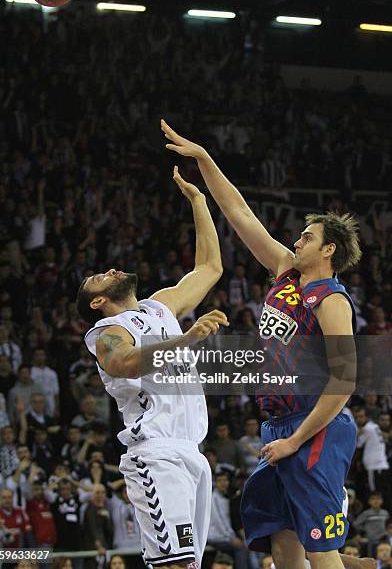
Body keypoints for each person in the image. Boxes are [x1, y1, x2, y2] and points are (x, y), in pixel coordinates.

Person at [161, 120, 361, 569]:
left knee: (318, 545)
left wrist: (296, 441)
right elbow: (239, 213)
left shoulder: (332, 301)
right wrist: (204, 160)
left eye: (308, 236)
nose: (297, 238)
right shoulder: (285, 269)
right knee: (281, 540)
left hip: (314, 428)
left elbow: (346, 379)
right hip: (277, 423)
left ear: (329, 250)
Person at [77, 168, 227, 569]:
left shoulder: (160, 306)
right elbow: (124, 363)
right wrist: (186, 339)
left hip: (192, 451)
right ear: (97, 302)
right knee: (174, 565)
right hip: (155, 452)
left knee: (187, 565)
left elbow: (210, 268)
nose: (109, 271)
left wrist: (198, 201)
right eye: (98, 278)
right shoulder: (105, 331)